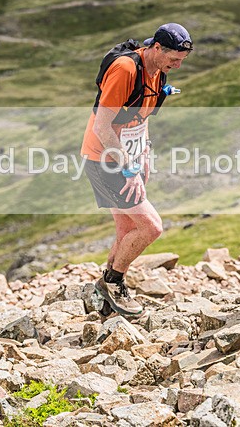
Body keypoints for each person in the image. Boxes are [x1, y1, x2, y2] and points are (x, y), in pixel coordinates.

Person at [81, 23, 193, 315]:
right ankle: (113, 283)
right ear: (156, 47)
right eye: (174, 59)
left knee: (127, 229)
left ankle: (104, 304)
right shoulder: (126, 70)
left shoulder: (157, 70)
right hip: (104, 158)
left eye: (182, 60)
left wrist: (144, 153)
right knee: (150, 226)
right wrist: (129, 168)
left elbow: (141, 117)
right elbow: (103, 126)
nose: (178, 66)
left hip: (128, 155)